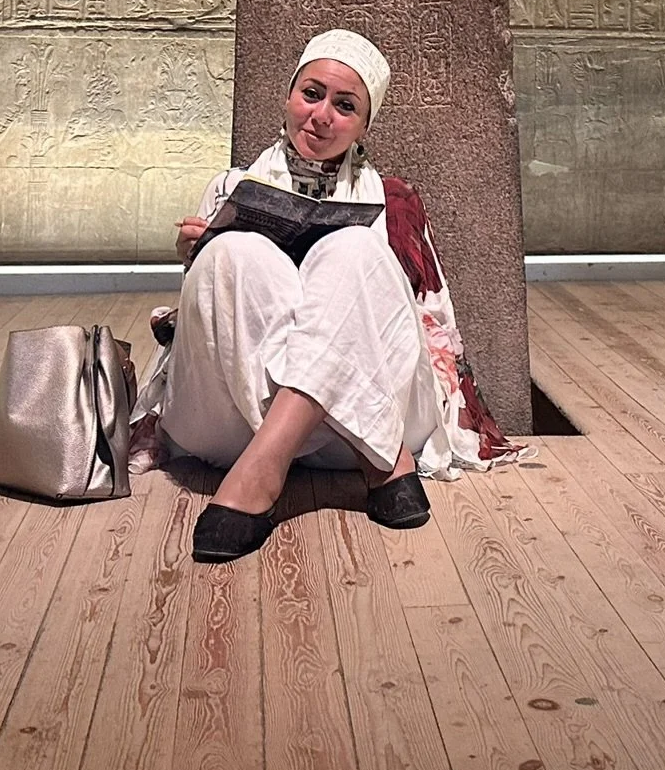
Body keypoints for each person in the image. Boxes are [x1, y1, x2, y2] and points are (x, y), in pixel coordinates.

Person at [132, 28, 518, 563]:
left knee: (356, 251)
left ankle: (265, 467)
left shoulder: (394, 200)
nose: (322, 116)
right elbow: (211, 329)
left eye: (345, 105)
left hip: (360, 424)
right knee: (234, 254)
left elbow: (429, 326)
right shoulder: (230, 188)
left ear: (363, 125)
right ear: (290, 96)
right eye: (311, 94)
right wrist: (194, 257)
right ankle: (386, 467)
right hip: (235, 417)